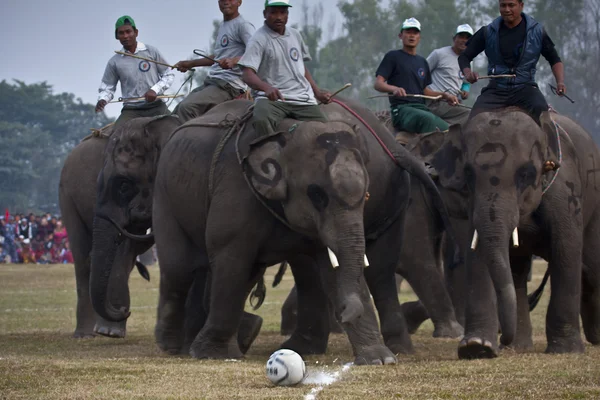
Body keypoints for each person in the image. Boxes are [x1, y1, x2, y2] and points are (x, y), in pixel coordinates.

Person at [458, 0, 565, 123]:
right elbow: (464, 57)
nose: (507, 9)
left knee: (544, 119)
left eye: (511, 5)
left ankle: (552, 142)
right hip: (496, 89)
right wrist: (468, 73)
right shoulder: (488, 32)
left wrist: (560, 82)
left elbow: (554, 59)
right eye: (503, 5)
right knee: (473, 121)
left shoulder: (537, 32)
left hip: (526, 88)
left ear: (521, 5)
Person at [238, 0, 331, 139]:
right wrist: (266, 88)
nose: (279, 17)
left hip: (302, 99)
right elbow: (247, 74)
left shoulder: (295, 35)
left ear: (288, 14)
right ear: (265, 14)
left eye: (283, 12)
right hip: (272, 101)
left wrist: (317, 93)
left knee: (325, 131)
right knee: (261, 120)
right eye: (273, 12)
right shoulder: (258, 39)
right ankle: (267, 157)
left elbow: (300, 67)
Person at [173, 0, 255, 122]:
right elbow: (218, 56)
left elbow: (256, 53)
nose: (226, 2)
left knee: (187, 108)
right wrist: (190, 63)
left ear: (239, 2)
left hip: (229, 85)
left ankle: (192, 141)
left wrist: (234, 61)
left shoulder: (243, 25)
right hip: (213, 82)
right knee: (177, 109)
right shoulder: (224, 26)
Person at [374, 18, 459, 134]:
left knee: (447, 129)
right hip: (401, 109)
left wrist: (445, 95)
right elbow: (378, 84)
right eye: (408, 32)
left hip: (421, 108)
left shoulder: (422, 62)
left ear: (419, 37)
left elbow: (424, 91)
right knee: (428, 120)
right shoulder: (393, 56)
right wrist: (394, 89)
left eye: (415, 33)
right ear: (400, 35)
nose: (411, 36)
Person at [95, 15, 174, 127]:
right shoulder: (114, 62)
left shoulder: (151, 51)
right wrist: (103, 99)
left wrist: (155, 90)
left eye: (128, 32)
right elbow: (108, 86)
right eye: (121, 33)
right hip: (131, 110)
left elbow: (168, 74)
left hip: (156, 106)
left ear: (136, 32)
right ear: (117, 36)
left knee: (177, 130)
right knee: (116, 137)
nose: (125, 36)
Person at [425, 24, 474, 125]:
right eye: (461, 36)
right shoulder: (439, 54)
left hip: (452, 103)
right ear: (454, 38)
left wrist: (465, 89)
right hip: (436, 101)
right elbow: (421, 74)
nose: (464, 40)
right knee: (470, 115)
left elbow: (466, 82)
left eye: (467, 38)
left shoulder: (469, 61)